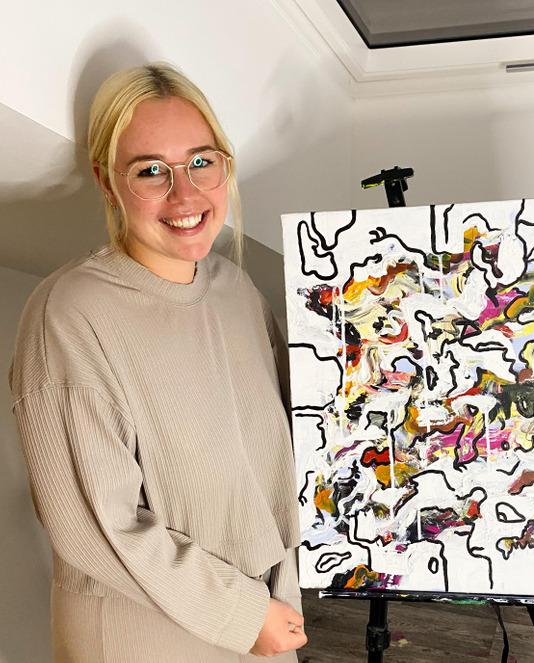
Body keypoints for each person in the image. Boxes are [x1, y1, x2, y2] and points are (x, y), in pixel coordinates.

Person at [8, 62, 307, 662]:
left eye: (201, 162)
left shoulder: (238, 291)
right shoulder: (70, 312)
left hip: (267, 618)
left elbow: (278, 454)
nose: (185, 194)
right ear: (107, 181)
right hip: (147, 634)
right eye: (151, 170)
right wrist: (242, 615)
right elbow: (94, 525)